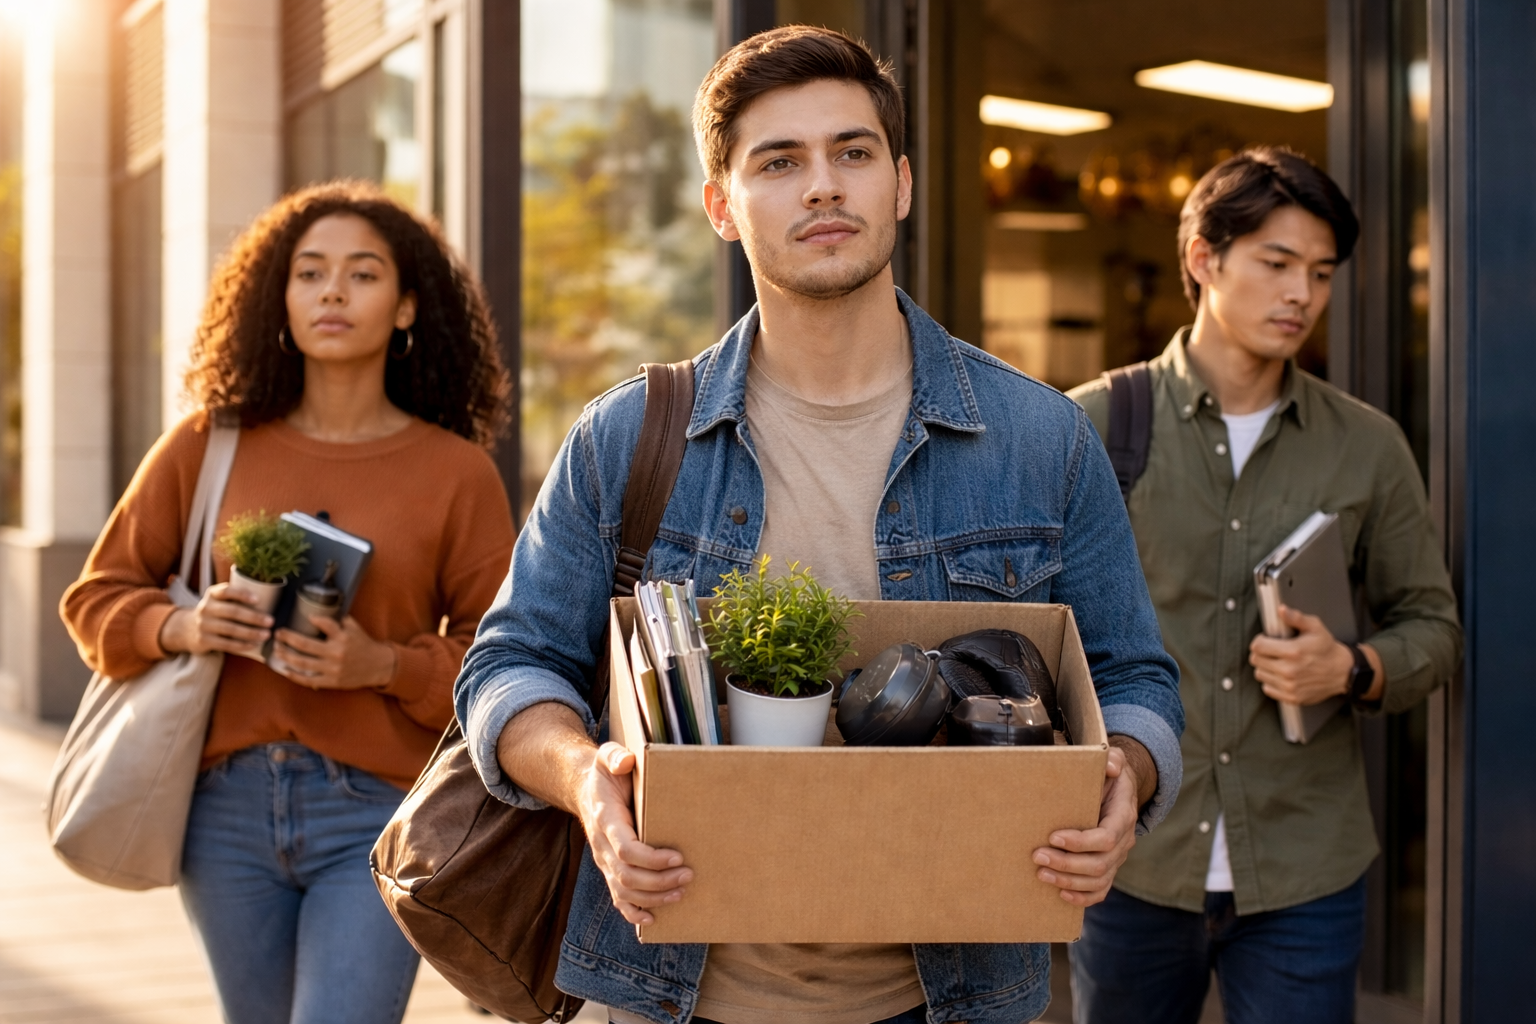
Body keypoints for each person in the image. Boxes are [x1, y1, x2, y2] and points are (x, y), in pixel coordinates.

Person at [455, 26, 1183, 1024]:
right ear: (722, 206)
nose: (824, 186)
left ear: (902, 184)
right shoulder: (629, 436)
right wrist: (588, 782)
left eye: (852, 152)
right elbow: (509, 664)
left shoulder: (1040, 437)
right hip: (678, 991)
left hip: (951, 996)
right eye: (780, 161)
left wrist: (1123, 782)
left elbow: (1135, 675)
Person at [62, 182, 515, 1024]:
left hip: (380, 813)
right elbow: (95, 599)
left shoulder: (456, 473)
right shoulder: (206, 443)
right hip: (220, 813)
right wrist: (180, 625)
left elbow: (506, 659)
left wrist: (382, 664)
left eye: (362, 274)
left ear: (408, 307)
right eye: (309, 274)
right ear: (282, 300)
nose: (333, 292)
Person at [1066, 148, 1462, 1024]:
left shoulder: (1367, 445)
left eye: (1321, 274)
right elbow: (1039, 638)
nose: (1303, 296)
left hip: (1305, 874)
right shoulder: (1091, 425)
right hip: (1134, 861)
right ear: (1204, 258)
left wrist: (1351, 668)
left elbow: (1433, 627)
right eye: (1277, 264)